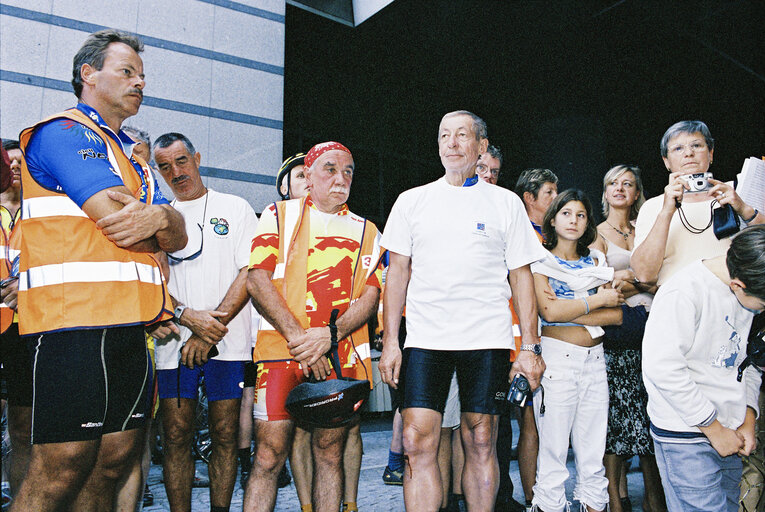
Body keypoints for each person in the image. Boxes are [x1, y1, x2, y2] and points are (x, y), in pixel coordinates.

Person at [10, 29, 187, 512]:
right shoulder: (64, 132)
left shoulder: (131, 153)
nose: (139, 83)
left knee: (113, 462)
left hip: (130, 328)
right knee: (61, 466)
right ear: (88, 74)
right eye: (127, 72)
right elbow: (121, 224)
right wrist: (162, 222)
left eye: (143, 76)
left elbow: (179, 233)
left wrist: (164, 220)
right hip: (74, 327)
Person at [379, 110, 546, 512]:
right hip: (425, 339)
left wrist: (530, 348)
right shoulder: (412, 201)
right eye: (444, 136)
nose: (451, 143)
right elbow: (396, 274)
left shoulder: (505, 203)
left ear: (481, 147)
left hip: (486, 338)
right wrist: (389, 343)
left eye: (461, 135)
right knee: (416, 440)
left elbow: (521, 277)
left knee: (482, 438)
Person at [244, 141, 383, 512]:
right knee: (269, 455)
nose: (341, 179)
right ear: (308, 174)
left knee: (330, 452)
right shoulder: (278, 214)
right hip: (280, 353)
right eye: (331, 169)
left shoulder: (368, 230)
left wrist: (329, 337)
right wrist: (301, 339)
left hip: (339, 358)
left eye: (349, 171)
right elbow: (257, 281)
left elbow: (370, 297)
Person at [151, 132, 257, 512]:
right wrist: (188, 320)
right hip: (172, 345)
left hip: (226, 343)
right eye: (165, 166)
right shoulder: (158, 215)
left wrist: (211, 330)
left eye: (181, 161)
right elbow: (152, 280)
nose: (176, 172)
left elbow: (250, 272)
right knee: (176, 435)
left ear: (196, 158)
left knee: (226, 434)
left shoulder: (236, 207)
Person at [642, 225, 765, 511]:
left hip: (729, 430)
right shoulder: (683, 292)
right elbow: (663, 369)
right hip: (686, 433)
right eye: (762, 305)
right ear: (738, 285)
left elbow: (748, 362)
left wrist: (747, 417)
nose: (760, 311)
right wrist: (713, 428)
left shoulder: (748, 287)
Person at [530, 189, 625, 512]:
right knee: (554, 452)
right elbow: (549, 313)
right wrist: (597, 300)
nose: (573, 220)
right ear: (553, 219)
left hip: (595, 361)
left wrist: (568, 308)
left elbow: (616, 315)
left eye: (581, 215)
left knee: (593, 452)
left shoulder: (597, 261)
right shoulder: (539, 260)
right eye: (566, 213)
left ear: (588, 222)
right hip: (558, 360)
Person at [589, 165, 665, 512]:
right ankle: (615, 502)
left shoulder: (647, 227)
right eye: (613, 183)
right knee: (619, 418)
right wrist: (643, 280)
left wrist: (631, 277)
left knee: (652, 415)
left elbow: (663, 275)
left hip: (660, 326)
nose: (620, 188)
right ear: (605, 192)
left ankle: (655, 499)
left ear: (637, 193)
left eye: (628, 184)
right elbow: (605, 283)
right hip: (622, 332)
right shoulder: (596, 232)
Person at [631, 120, 763, 286]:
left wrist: (744, 209)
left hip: (735, 300)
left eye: (697, 145)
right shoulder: (653, 206)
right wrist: (666, 212)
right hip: (679, 301)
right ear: (666, 161)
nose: (688, 153)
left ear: (711, 153)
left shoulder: (736, 191)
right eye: (678, 148)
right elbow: (644, 274)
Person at [513, 167, 559, 507]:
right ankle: (532, 500)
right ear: (529, 198)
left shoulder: (557, 235)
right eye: (549, 194)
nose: (557, 201)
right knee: (529, 422)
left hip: (558, 339)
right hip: (523, 344)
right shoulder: (518, 235)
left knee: (550, 427)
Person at [0, 140, 29, 504]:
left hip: (25, 331)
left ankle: (21, 498)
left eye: (23, 162)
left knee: (23, 430)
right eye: (11, 161)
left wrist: (28, 284)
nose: (17, 168)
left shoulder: (43, 214)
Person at [515, 168, 559, 240]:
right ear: (529, 197)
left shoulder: (559, 230)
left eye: (556, 192)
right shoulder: (519, 233)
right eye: (549, 192)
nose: (556, 196)